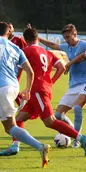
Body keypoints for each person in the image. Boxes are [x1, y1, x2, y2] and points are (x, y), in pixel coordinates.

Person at [0, 27, 86, 156]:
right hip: (39, 90)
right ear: (38, 39)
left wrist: (20, 90)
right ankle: (15, 146)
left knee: (50, 121)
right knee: (19, 118)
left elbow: (19, 71)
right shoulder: (47, 52)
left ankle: (81, 138)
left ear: (25, 41)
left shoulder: (26, 51)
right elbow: (61, 67)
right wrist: (50, 82)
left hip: (37, 91)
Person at [0, 22, 50, 168]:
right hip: (13, 87)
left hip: (1, 87)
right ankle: (39, 147)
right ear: (9, 33)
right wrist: (27, 90)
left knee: (10, 127)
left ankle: (38, 146)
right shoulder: (16, 48)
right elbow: (30, 71)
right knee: (10, 127)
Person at [38, 23, 86, 148]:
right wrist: (38, 38)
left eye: (68, 37)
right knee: (58, 115)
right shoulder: (67, 47)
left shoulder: (84, 45)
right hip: (73, 85)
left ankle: (77, 139)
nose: (67, 40)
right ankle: (74, 133)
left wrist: (68, 65)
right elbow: (54, 45)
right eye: (65, 38)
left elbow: (82, 57)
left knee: (77, 108)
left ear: (75, 34)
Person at [7, 22, 27, 106]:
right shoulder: (4, 40)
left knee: (11, 86)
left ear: (13, 29)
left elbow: (25, 50)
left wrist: (21, 66)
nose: (9, 29)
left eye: (10, 27)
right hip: (7, 67)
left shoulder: (18, 39)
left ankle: (23, 103)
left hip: (17, 66)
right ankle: (22, 103)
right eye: (8, 28)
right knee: (11, 87)